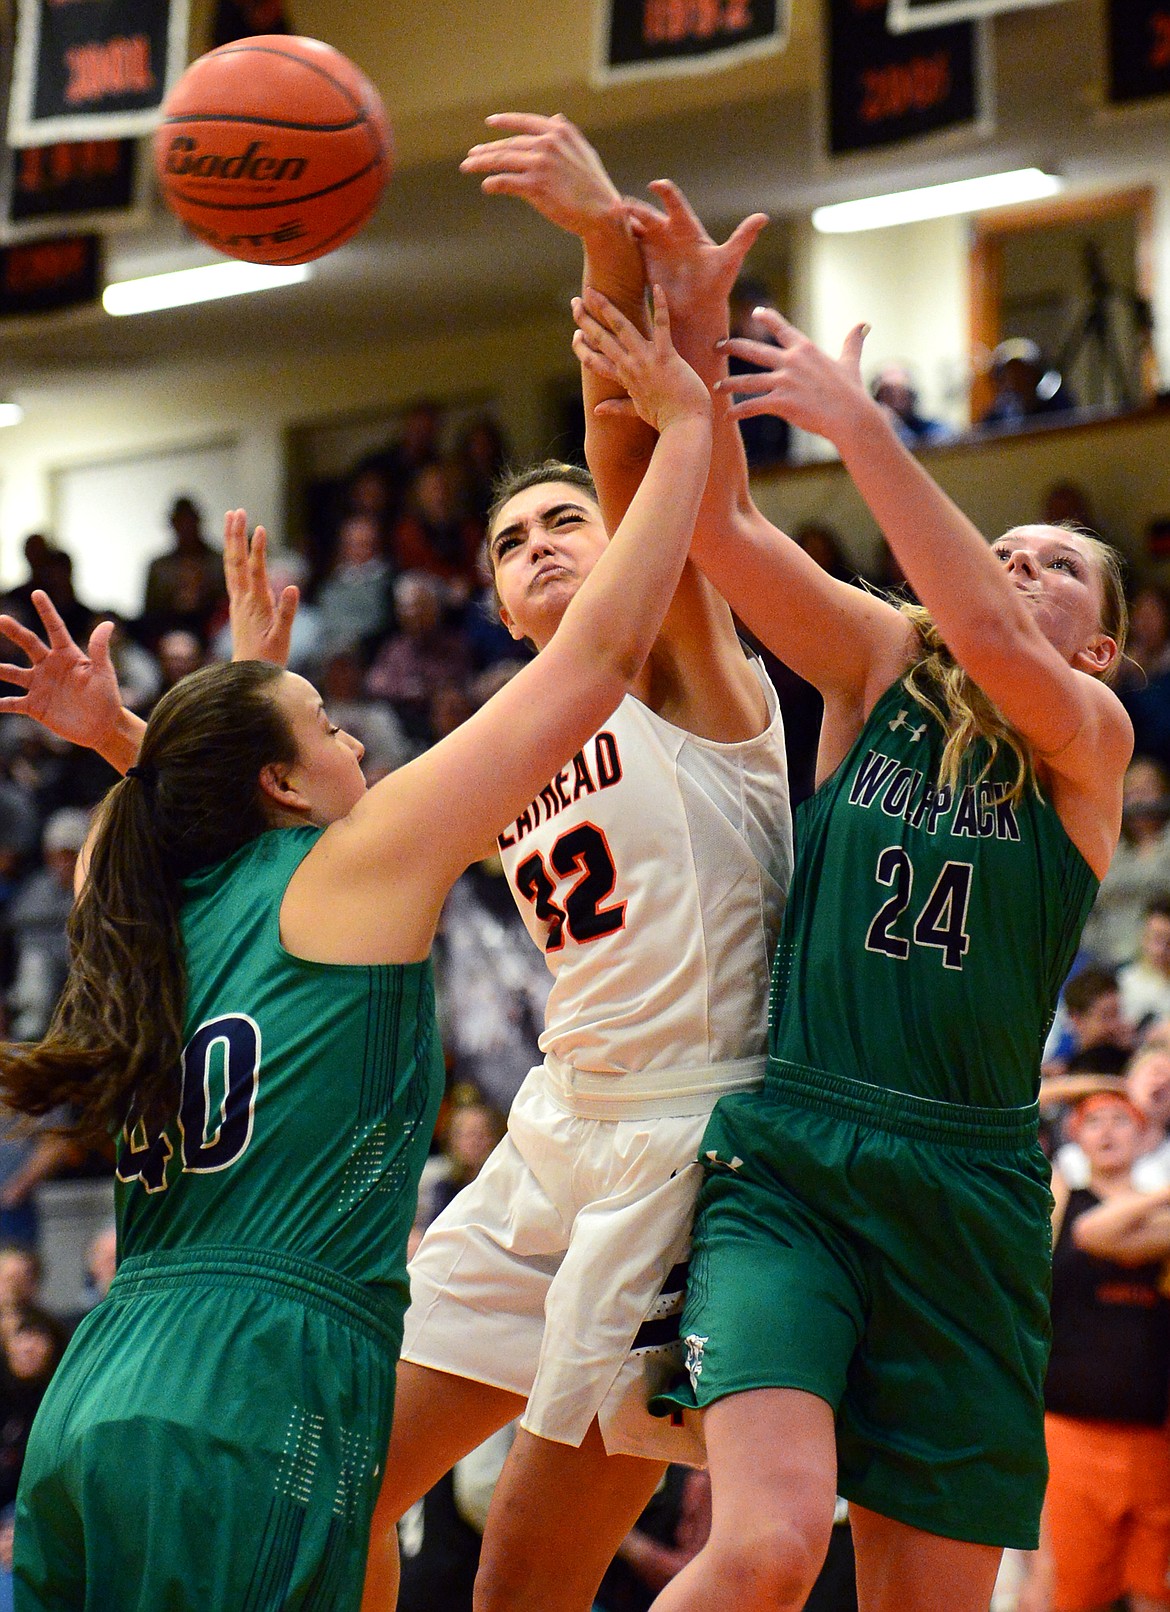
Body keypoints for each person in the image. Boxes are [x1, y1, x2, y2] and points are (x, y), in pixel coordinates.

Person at [0, 282, 714, 1612]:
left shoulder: (137, 889)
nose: (353, 743)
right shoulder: (353, 864)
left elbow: (176, 806)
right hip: (255, 1381)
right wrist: (683, 436)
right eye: (326, 722)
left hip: (102, 1387)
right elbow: (606, 645)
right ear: (280, 784)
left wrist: (162, 721)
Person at [572, 186, 1130, 1611]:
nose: (1012, 568)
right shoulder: (880, 659)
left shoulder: (1087, 744)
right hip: (799, 1160)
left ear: (1112, 647)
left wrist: (866, 429)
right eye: (1001, 550)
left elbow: (1002, 645)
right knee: (762, 1543)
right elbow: (724, 529)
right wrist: (691, 327)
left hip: (970, 1190)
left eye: (1054, 564)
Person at [362, 114, 790, 1612]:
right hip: (550, 1127)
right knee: (341, 1478)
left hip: (689, 1146)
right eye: (513, 540)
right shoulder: (508, 732)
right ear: (487, 599)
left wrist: (599, 239)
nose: (545, 541)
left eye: (568, 521)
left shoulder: (678, 659)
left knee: (524, 1583)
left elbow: (630, 440)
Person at [1018, 1087, 1170, 1612]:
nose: (1107, 1130)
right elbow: (1093, 1234)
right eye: (1094, 1120)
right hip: (1067, 1428)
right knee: (1059, 1590)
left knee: (1152, 1590)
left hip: (1153, 1435)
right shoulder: (1064, 1201)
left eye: (1121, 1120)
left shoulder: (1160, 1223)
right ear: (1077, 1136)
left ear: (1147, 1134)